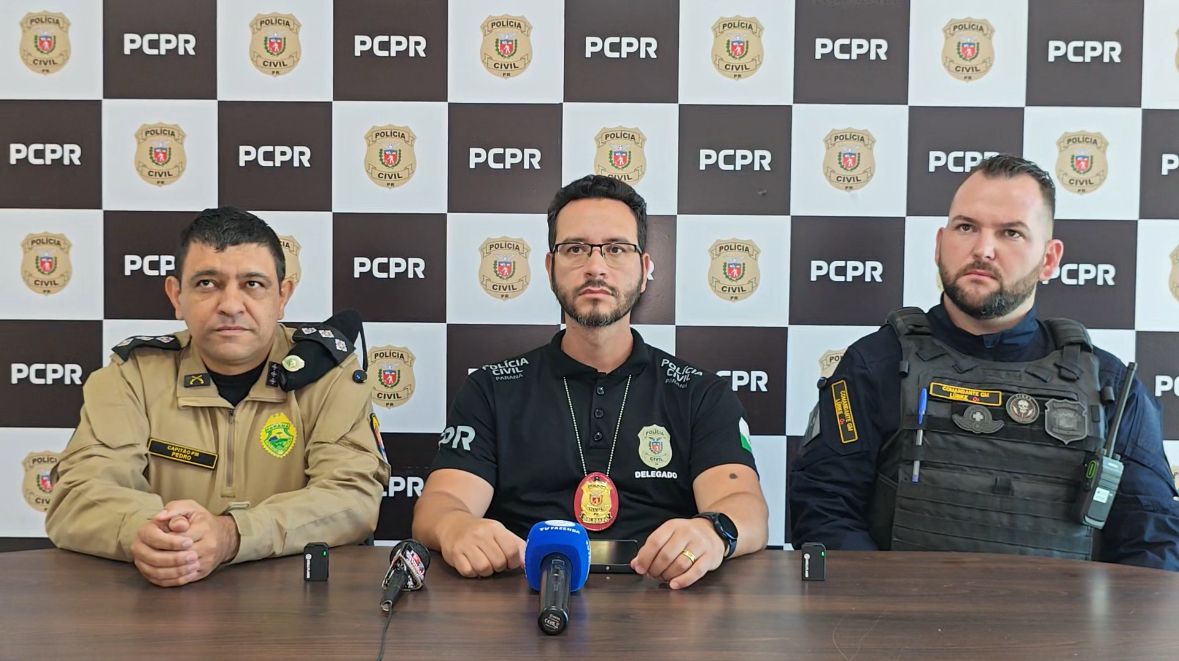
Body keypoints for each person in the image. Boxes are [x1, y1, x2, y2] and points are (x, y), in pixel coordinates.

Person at [788, 155, 1179, 570]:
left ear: (1049, 259)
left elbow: (1154, 544)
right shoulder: (875, 365)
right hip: (900, 611)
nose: (982, 249)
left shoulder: (1111, 387)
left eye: (1011, 233)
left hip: (1064, 615)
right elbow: (824, 512)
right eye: (966, 227)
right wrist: (891, 605)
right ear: (939, 244)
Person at [414, 175, 768, 589]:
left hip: (661, 598)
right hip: (522, 600)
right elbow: (440, 503)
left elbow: (745, 507)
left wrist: (712, 532)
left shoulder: (700, 393)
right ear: (550, 268)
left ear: (645, 269)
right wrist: (456, 527)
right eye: (575, 249)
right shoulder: (492, 389)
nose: (596, 267)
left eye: (616, 249)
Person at [45, 207, 390, 587]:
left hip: (295, 602)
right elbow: (77, 494)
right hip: (162, 600)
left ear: (282, 296)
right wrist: (145, 531)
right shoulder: (132, 376)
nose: (230, 305)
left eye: (252, 284)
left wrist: (232, 534)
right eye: (207, 283)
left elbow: (351, 498)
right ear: (176, 295)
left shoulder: (330, 375)